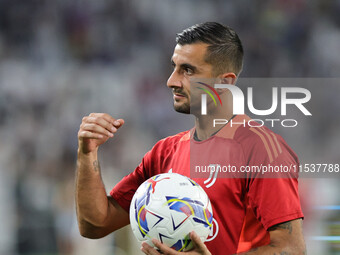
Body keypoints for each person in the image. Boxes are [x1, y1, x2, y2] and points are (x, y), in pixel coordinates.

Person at [76, 22, 306, 255]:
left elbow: (292, 249)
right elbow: (95, 224)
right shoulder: (164, 153)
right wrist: (87, 153)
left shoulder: (261, 150)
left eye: (188, 70)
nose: (171, 81)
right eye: (174, 67)